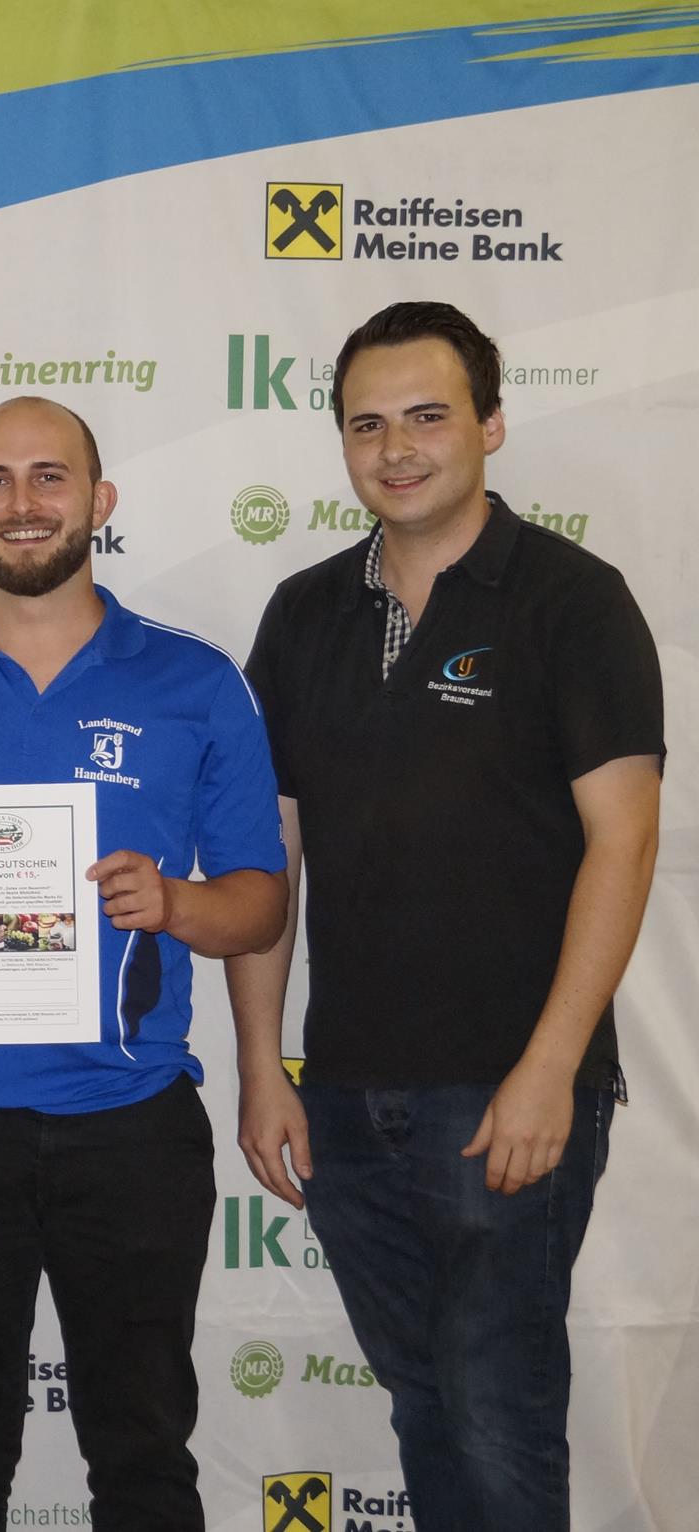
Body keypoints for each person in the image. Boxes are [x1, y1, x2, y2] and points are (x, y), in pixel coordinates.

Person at [226, 302, 662, 1531]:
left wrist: (550, 1067)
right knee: (425, 1406)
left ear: (491, 424)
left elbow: (624, 841)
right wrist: (262, 1066)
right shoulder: (303, 611)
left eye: (426, 415)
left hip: (504, 1089)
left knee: (496, 1415)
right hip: (344, 1095)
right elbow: (268, 857)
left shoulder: (570, 600)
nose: (396, 447)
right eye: (366, 424)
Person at [0, 397, 287, 1531]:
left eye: (49, 476)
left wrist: (174, 902)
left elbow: (261, 904)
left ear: (98, 499)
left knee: (143, 1455)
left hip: (130, 1124)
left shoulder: (195, 681)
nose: (22, 502)